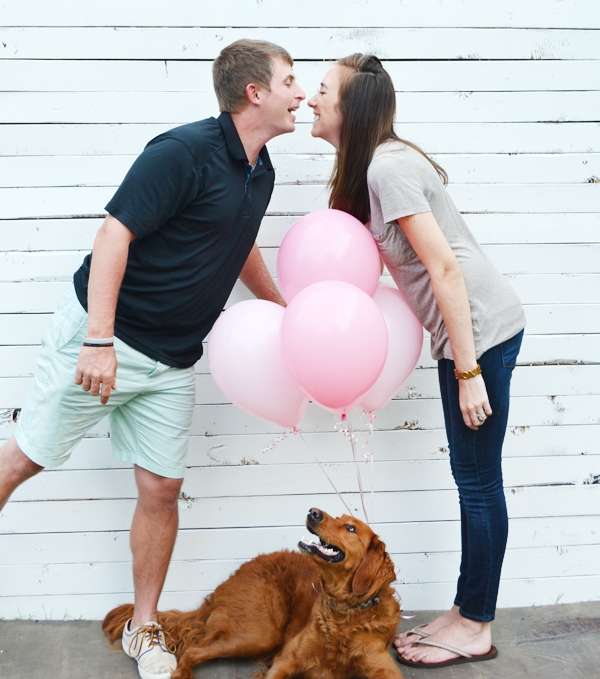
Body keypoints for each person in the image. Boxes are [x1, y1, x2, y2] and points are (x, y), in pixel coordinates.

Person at [0, 39, 305, 679]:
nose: (300, 92)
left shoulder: (262, 168)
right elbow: (114, 232)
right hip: (108, 340)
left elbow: (238, 240)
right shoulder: (183, 152)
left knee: (162, 487)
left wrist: (281, 308)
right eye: (290, 80)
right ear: (255, 93)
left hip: (172, 358)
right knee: (23, 460)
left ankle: (144, 628)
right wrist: (99, 341)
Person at [308, 54, 525, 669]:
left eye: (324, 91)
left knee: (478, 483)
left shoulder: (389, 165)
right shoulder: (371, 170)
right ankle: (463, 612)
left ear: (353, 107)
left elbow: (446, 269)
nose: (313, 100)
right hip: (464, 337)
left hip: (479, 334)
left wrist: (467, 369)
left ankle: (476, 625)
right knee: (472, 479)